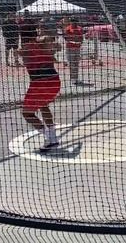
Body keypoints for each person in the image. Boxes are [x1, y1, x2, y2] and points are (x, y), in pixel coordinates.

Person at [18, 21, 61, 151]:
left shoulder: (25, 48)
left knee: (27, 113)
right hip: (54, 81)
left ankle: (49, 137)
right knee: (43, 106)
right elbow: (57, 47)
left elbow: (19, 53)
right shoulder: (43, 43)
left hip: (39, 84)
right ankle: (52, 135)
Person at [64, 17, 85, 85]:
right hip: (70, 48)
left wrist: (79, 42)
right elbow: (66, 39)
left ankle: (75, 78)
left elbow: (81, 38)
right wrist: (74, 42)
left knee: (76, 64)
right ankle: (73, 79)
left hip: (77, 48)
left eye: (75, 21)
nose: (74, 23)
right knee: (72, 64)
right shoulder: (68, 29)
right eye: (73, 21)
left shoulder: (80, 28)